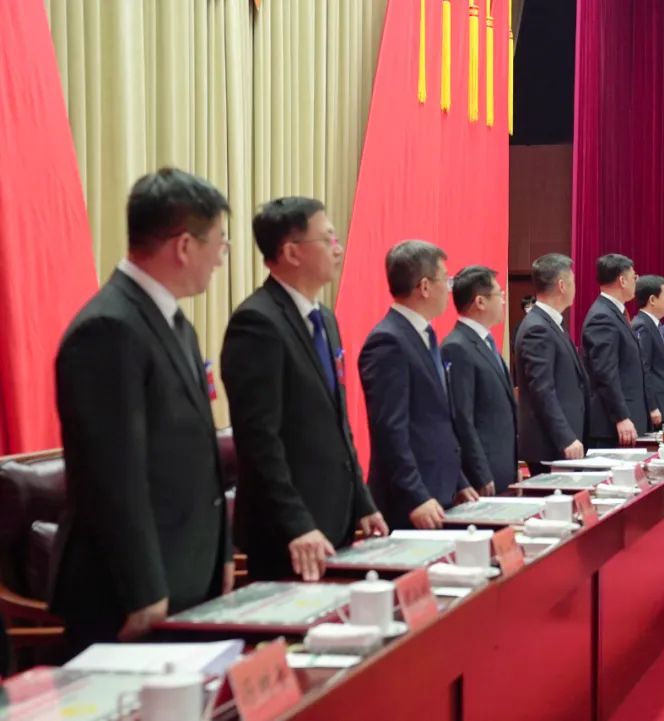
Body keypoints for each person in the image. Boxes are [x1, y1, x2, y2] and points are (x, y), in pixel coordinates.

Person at [50, 168, 232, 649]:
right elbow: (112, 475)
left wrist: (221, 554)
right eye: (219, 243)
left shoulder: (175, 322)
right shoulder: (108, 328)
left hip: (186, 573)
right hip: (130, 593)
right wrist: (144, 588)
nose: (221, 258)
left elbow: (198, 453)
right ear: (184, 246)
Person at [222, 197, 387, 582]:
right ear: (292, 252)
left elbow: (338, 422)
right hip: (288, 533)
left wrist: (363, 502)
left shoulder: (324, 319)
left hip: (335, 518)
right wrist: (296, 524)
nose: (338, 249)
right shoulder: (257, 323)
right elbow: (259, 438)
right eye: (327, 239)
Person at [360, 240, 478, 530]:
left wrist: (459, 481)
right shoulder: (388, 341)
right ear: (424, 287)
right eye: (445, 280)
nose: (449, 289)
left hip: (440, 489)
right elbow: (390, 429)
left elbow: (438, 421)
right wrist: (416, 496)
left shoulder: (423, 335)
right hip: (411, 501)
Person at [442, 266, 519, 495]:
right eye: (499, 294)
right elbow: (462, 418)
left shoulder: (485, 342)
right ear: (480, 302)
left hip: (503, 466)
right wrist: (480, 473)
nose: (503, 301)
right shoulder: (457, 346)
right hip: (484, 473)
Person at [515, 253, 589, 476]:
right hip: (551, 444)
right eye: (573, 281)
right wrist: (565, 436)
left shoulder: (553, 323)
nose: (575, 287)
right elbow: (542, 389)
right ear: (562, 285)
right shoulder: (537, 328)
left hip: (565, 440)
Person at [581, 254, 649, 447]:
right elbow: (605, 372)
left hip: (627, 418)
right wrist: (621, 416)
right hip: (612, 425)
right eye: (634, 277)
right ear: (622, 280)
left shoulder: (614, 312)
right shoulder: (602, 316)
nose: (636, 282)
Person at [632, 275, 664, 424]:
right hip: (657, 404)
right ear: (652, 299)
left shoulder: (655, 324)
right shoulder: (642, 325)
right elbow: (644, 369)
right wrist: (652, 406)